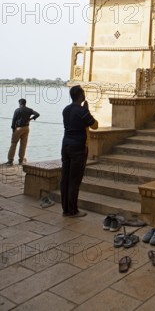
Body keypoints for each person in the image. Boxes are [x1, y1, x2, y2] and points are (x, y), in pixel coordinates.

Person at [61, 85, 98, 218]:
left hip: (65, 145)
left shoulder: (66, 109)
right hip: (78, 147)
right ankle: (73, 211)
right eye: (83, 92)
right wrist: (87, 111)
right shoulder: (83, 111)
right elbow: (95, 125)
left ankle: (65, 209)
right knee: (74, 180)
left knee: (65, 178)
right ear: (80, 95)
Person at [6, 98, 40, 166]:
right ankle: (21, 160)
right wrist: (31, 118)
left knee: (13, 143)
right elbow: (37, 114)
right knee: (23, 144)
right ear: (25, 103)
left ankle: (10, 161)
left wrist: (13, 129)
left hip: (18, 128)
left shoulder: (17, 110)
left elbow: (13, 121)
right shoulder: (29, 110)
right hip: (26, 128)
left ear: (20, 103)